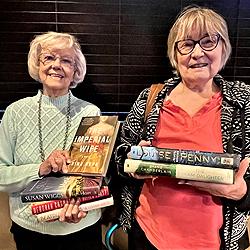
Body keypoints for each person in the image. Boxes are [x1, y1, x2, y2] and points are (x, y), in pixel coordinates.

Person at [115, 5, 250, 250]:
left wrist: (241, 192)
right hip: (148, 236)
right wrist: (133, 164)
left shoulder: (244, 104)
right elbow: (119, 155)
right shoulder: (150, 99)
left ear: (224, 48)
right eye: (186, 44)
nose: (197, 52)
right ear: (175, 54)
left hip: (216, 243)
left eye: (209, 41)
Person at [0, 31, 103, 250]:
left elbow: (95, 178)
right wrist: (41, 168)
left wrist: (80, 205)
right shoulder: (15, 112)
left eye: (66, 60)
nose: (57, 65)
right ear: (37, 65)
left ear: (75, 70)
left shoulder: (91, 113)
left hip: (81, 228)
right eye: (48, 58)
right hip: (30, 229)